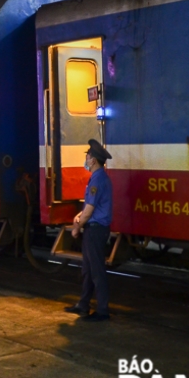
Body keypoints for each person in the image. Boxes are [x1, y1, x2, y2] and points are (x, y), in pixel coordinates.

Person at [67, 138, 114, 322]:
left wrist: (77, 227)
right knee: (88, 270)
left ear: (93, 160)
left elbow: (90, 210)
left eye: (87, 156)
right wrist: (80, 217)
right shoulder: (97, 177)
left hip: (95, 230)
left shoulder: (97, 180)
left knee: (96, 271)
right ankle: (83, 304)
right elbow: (88, 207)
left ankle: (102, 310)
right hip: (94, 228)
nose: (86, 159)